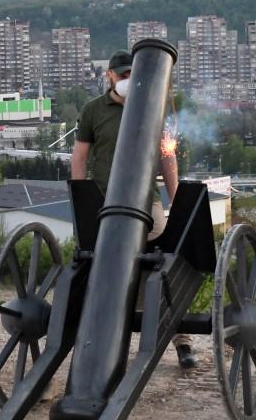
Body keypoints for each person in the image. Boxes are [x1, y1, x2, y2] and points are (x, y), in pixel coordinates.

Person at [70, 50, 198, 369]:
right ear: (110, 76)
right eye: (122, 74)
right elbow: (80, 157)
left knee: (163, 261)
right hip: (103, 201)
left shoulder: (151, 108)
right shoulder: (93, 111)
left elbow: (167, 158)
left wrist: (176, 200)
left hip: (145, 200)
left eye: (132, 74)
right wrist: (81, 199)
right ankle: (100, 336)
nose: (128, 79)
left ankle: (181, 337)